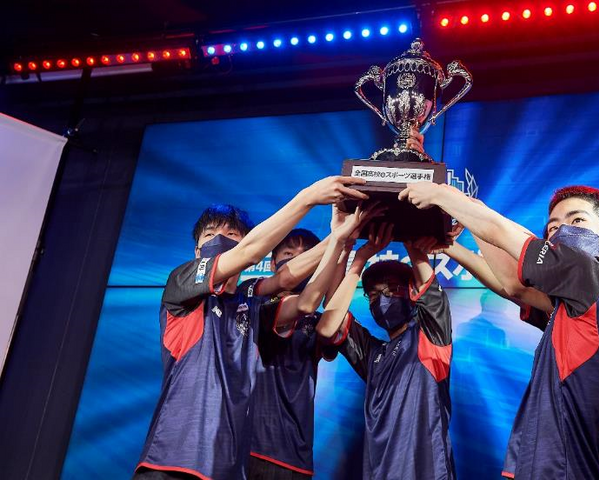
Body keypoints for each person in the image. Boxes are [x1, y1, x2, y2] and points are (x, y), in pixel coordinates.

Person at [399, 181, 599, 479]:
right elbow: (513, 286)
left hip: (563, 469)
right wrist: (450, 245)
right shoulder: (577, 301)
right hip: (550, 463)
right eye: (553, 227)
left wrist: (445, 197)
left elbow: (501, 232)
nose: (561, 231)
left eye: (577, 220)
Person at [134, 176, 369, 480]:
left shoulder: (253, 307)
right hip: (172, 462)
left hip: (228, 467)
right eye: (210, 234)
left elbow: (304, 300)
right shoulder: (182, 286)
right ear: (197, 252)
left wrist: (339, 239)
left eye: (231, 233)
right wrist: (308, 197)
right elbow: (251, 254)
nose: (220, 239)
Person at [249, 204, 384, 479]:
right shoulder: (255, 303)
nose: (298, 261)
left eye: (306, 255)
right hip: (250, 449)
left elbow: (330, 317)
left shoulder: (316, 322)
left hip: (296, 455)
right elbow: (305, 303)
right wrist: (338, 238)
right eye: (288, 254)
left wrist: (349, 249)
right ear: (273, 264)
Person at [316, 224, 456, 480]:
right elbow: (332, 316)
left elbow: (427, 284)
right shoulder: (372, 355)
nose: (381, 298)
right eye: (373, 294)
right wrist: (355, 256)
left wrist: (410, 233)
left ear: (411, 293)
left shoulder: (429, 336)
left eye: (390, 289)